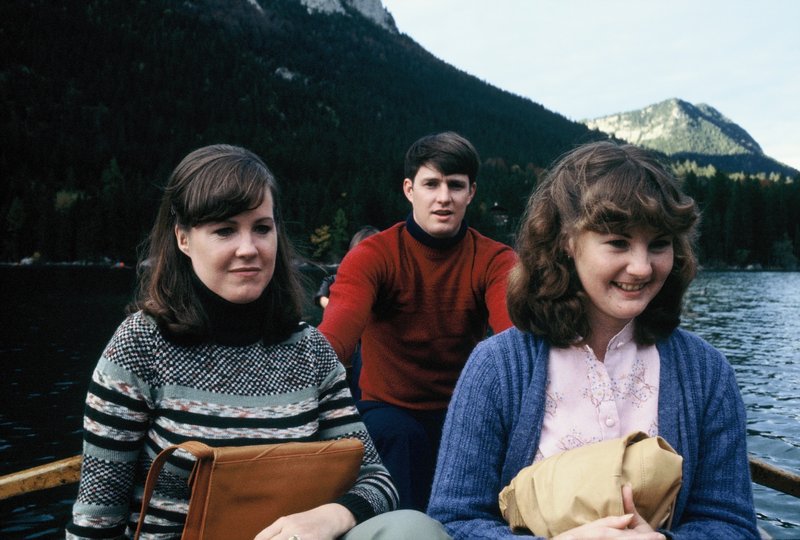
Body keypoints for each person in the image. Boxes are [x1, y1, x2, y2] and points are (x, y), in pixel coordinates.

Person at [66, 144, 449, 540]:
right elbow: (97, 520)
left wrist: (331, 516)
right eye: (224, 230)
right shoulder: (141, 345)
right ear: (182, 238)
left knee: (416, 529)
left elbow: (377, 481)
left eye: (262, 228)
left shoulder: (309, 351)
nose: (249, 249)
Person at [427, 141, 759, 539]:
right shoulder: (497, 366)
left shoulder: (706, 372)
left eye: (659, 244)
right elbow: (453, 522)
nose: (641, 266)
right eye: (618, 242)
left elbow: (732, 525)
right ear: (566, 242)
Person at [319, 132, 517, 511]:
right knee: (403, 437)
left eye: (455, 185)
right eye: (431, 184)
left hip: (464, 407)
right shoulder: (373, 255)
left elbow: (515, 338)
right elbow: (338, 333)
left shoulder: (495, 260)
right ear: (409, 189)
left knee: (483, 441)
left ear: (471, 193)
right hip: (386, 406)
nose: (444, 197)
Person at [314, 225, 381, 401]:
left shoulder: (385, 276)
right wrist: (339, 308)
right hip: (349, 340)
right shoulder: (345, 276)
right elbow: (323, 291)